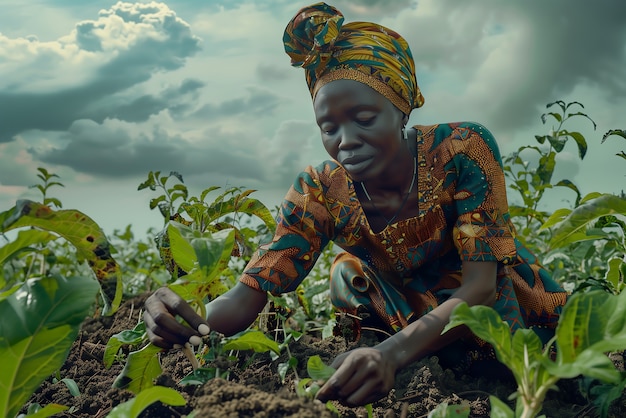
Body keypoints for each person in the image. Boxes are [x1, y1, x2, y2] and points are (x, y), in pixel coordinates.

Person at [144, 2, 568, 407]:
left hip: (489, 312)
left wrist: (392, 354)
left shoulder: (460, 150)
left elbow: (481, 286)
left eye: (364, 119)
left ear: (401, 108)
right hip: (405, 325)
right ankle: (385, 361)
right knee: (347, 270)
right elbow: (250, 293)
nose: (345, 141)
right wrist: (186, 317)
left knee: (542, 376)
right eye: (328, 127)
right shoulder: (321, 189)